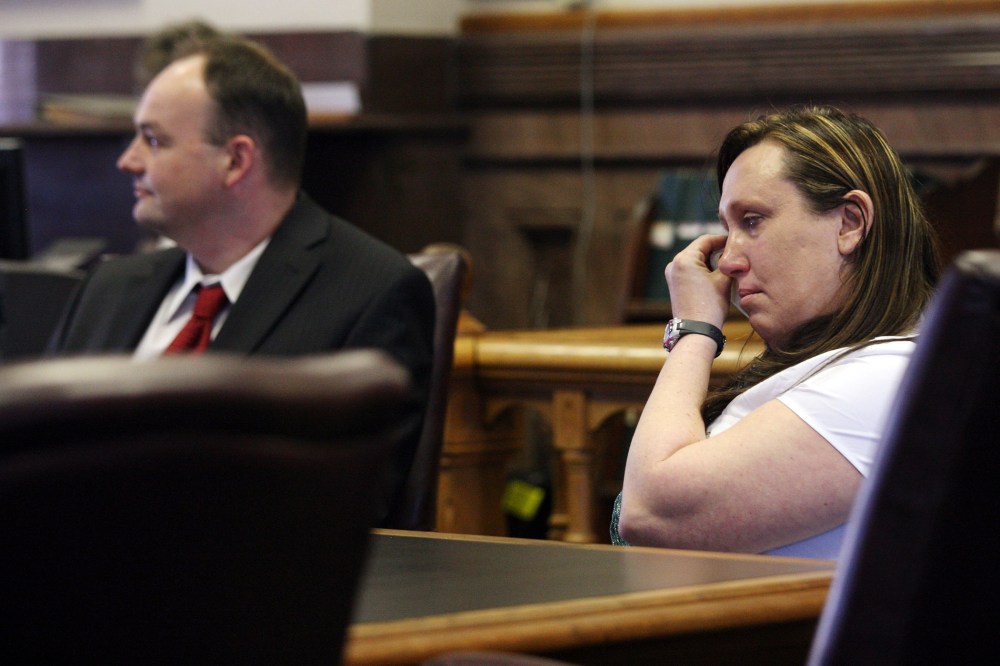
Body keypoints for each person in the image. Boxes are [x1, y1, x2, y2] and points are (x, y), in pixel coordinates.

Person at [49, 35, 436, 525]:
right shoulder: (106, 290)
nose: (128, 161)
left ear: (235, 160)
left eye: (153, 140)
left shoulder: (369, 294)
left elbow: (339, 513)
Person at [613, 106, 941, 558]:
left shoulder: (887, 380)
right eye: (728, 228)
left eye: (752, 221)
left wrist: (694, 332)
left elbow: (650, 512)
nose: (727, 261)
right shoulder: (848, 366)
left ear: (850, 223)